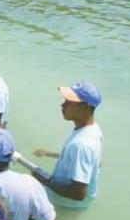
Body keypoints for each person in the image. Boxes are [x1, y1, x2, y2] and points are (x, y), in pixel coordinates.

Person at [32, 81, 104, 209]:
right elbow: (84, 160)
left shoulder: (81, 145)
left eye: (69, 103)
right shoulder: (93, 129)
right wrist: (48, 153)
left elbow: (78, 193)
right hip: (73, 203)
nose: (62, 105)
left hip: (65, 205)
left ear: (85, 108)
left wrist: (43, 180)